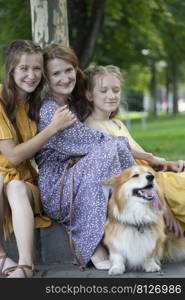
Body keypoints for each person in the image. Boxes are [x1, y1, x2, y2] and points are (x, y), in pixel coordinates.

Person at [35, 43, 172, 271]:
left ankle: (141, 206)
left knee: (111, 153)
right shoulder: (52, 110)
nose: (64, 77)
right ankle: (93, 245)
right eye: (56, 73)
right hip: (58, 189)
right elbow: (100, 142)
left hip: (78, 176)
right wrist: (148, 159)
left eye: (68, 70)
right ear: (46, 79)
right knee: (109, 149)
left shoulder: (72, 105)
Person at [0, 40, 76, 278]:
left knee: (14, 187)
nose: (31, 75)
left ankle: (25, 264)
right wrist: (52, 129)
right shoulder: (1, 100)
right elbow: (12, 156)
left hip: (25, 184)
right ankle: (1, 256)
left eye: (36, 68)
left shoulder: (39, 104)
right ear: (11, 69)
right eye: (24, 68)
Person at [83, 65, 185, 237]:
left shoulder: (117, 123)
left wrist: (169, 165)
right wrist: (160, 204)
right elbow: (125, 172)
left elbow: (146, 159)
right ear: (89, 95)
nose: (111, 95)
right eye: (104, 90)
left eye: (115, 90)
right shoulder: (93, 126)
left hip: (154, 175)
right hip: (145, 186)